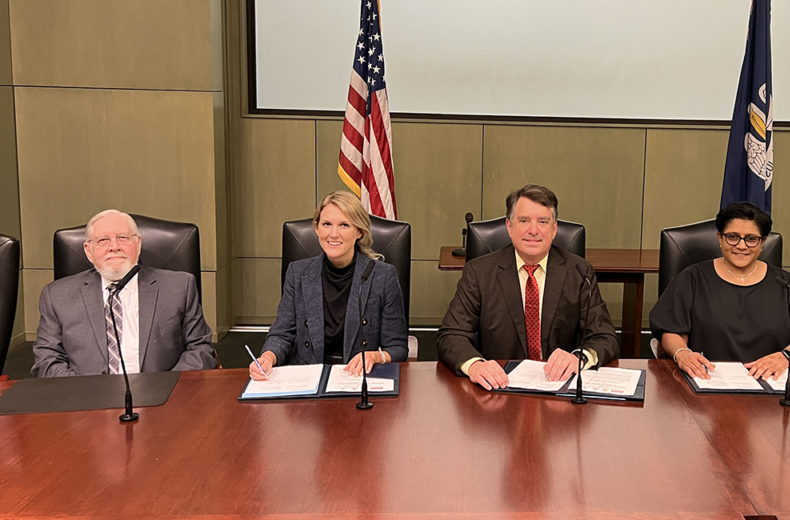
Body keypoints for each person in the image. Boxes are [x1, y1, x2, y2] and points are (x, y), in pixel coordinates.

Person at [437, 184, 620, 390]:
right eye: (524, 221)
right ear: (509, 226)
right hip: (498, 389)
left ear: (554, 229)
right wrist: (475, 365)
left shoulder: (579, 272)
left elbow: (605, 337)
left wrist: (578, 358)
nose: (533, 230)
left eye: (543, 222)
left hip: (559, 388)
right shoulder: (479, 272)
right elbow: (451, 335)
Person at [651, 202, 790, 380]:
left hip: (770, 382)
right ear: (720, 238)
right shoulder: (693, 278)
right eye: (733, 237)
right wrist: (682, 353)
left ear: (762, 242)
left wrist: (784, 357)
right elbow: (670, 330)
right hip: (708, 379)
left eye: (751, 239)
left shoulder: (785, 284)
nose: (741, 246)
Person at [32, 210, 217, 378]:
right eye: (103, 240)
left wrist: (166, 386)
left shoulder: (179, 287)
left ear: (138, 243)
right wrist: (85, 393)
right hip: (85, 398)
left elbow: (200, 350)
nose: (114, 246)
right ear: (88, 251)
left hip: (162, 396)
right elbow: (47, 360)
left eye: (122, 238)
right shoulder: (56, 296)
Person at [249, 191, 407, 380]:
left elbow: (398, 348)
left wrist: (375, 356)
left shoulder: (382, 276)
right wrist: (267, 357)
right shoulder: (297, 273)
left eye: (344, 225)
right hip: (308, 378)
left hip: (358, 377)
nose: (333, 234)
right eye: (326, 224)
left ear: (359, 232)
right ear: (316, 228)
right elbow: (282, 334)